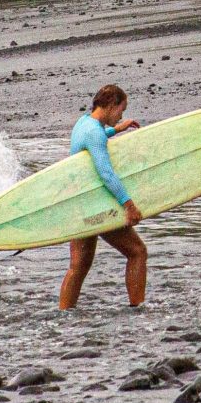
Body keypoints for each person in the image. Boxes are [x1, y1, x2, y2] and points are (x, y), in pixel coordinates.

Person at [59, 84, 146, 310]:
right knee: (137, 252)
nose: (121, 116)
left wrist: (115, 131)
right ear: (110, 105)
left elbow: (93, 139)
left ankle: (63, 314)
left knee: (78, 267)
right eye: (121, 110)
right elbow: (106, 173)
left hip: (80, 205)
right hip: (97, 206)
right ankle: (138, 309)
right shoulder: (94, 133)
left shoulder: (84, 123)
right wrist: (129, 205)